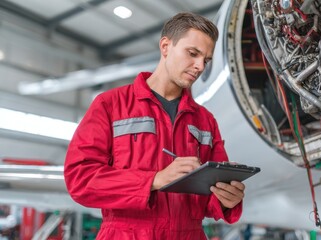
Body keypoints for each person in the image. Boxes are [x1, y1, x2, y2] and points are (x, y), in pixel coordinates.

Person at [64, 12, 245, 239]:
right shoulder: (110, 105)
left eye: (206, 60)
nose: (199, 66)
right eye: (192, 53)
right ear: (165, 46)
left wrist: (227, 198)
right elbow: (81, 180)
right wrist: (154, 180)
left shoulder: (205, 120)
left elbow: (210, 195)